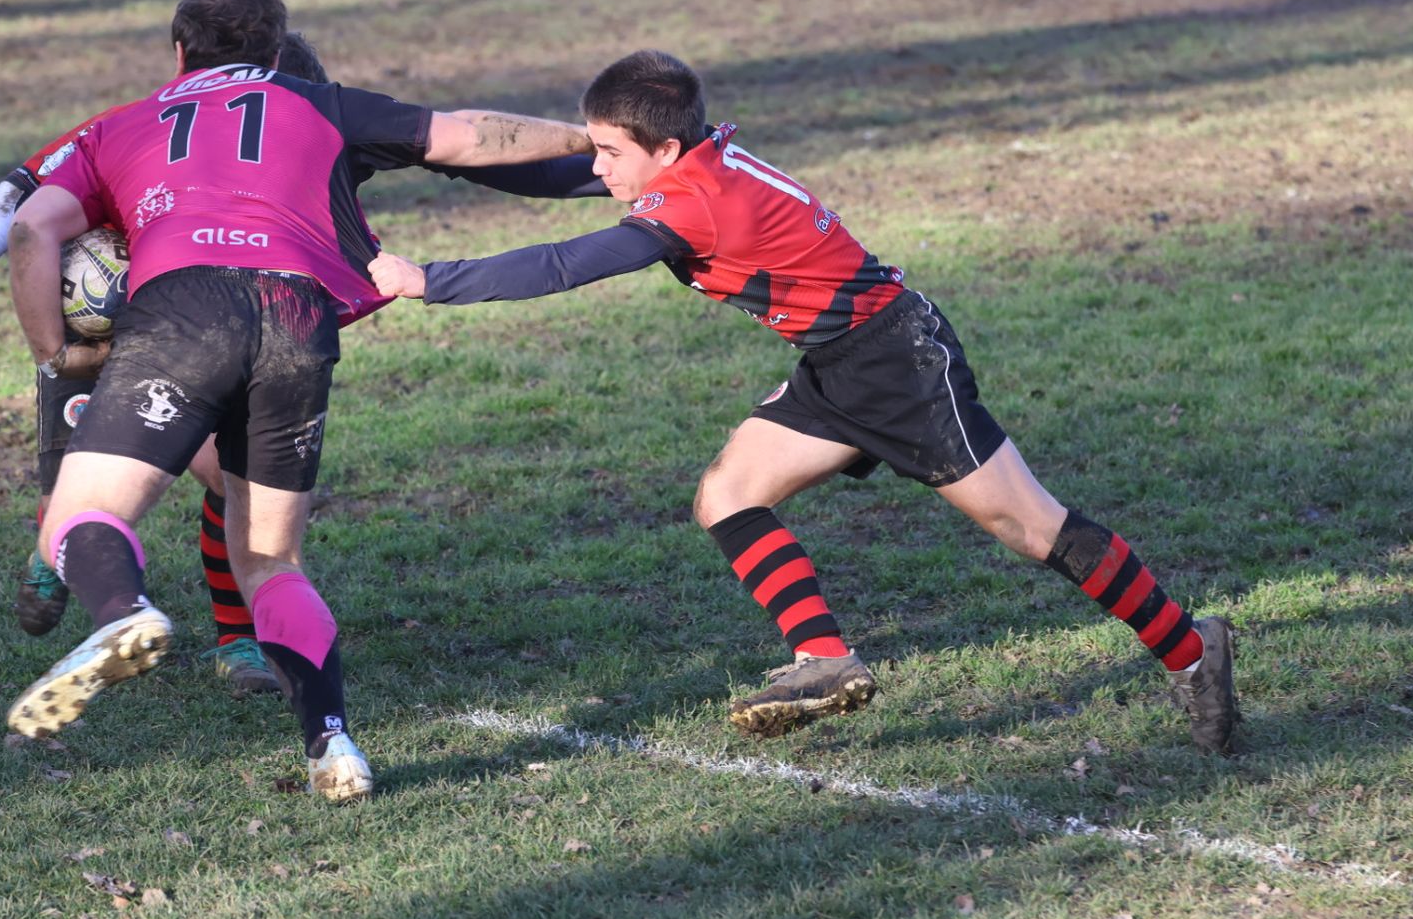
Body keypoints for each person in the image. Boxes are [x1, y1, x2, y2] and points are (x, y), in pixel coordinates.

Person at [368, 49, 1241, 754]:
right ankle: (823, 658)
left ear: (663, 150)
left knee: (1030, 527)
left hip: (899, 364)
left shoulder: (693, 203)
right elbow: (569, 180)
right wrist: (442, 160)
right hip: (835, 363)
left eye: (610, 152)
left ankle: (1191, 650)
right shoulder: (686, 159)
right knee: (726, 495)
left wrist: (427, 280)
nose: (597, 166)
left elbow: (569, 262)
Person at [3, 0, 595, 802]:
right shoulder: (320, 102)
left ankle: (122, 611)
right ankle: (332, 740)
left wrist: (55, 349)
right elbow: (470, 135)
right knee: (274, 558)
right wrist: (587, 135)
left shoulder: (124, 123)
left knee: (80, 513)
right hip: (294, 318)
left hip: (184, 306)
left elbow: (32, 225)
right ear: (279, 53)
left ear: (178, 53)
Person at [0, 33, 339, 697]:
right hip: (90, 335)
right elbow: (21, 184)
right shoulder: (134, 126)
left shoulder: (292, 160)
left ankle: (236, 636)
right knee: (70, 498)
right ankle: (55, 554)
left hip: (189, 334)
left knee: (228, 477)